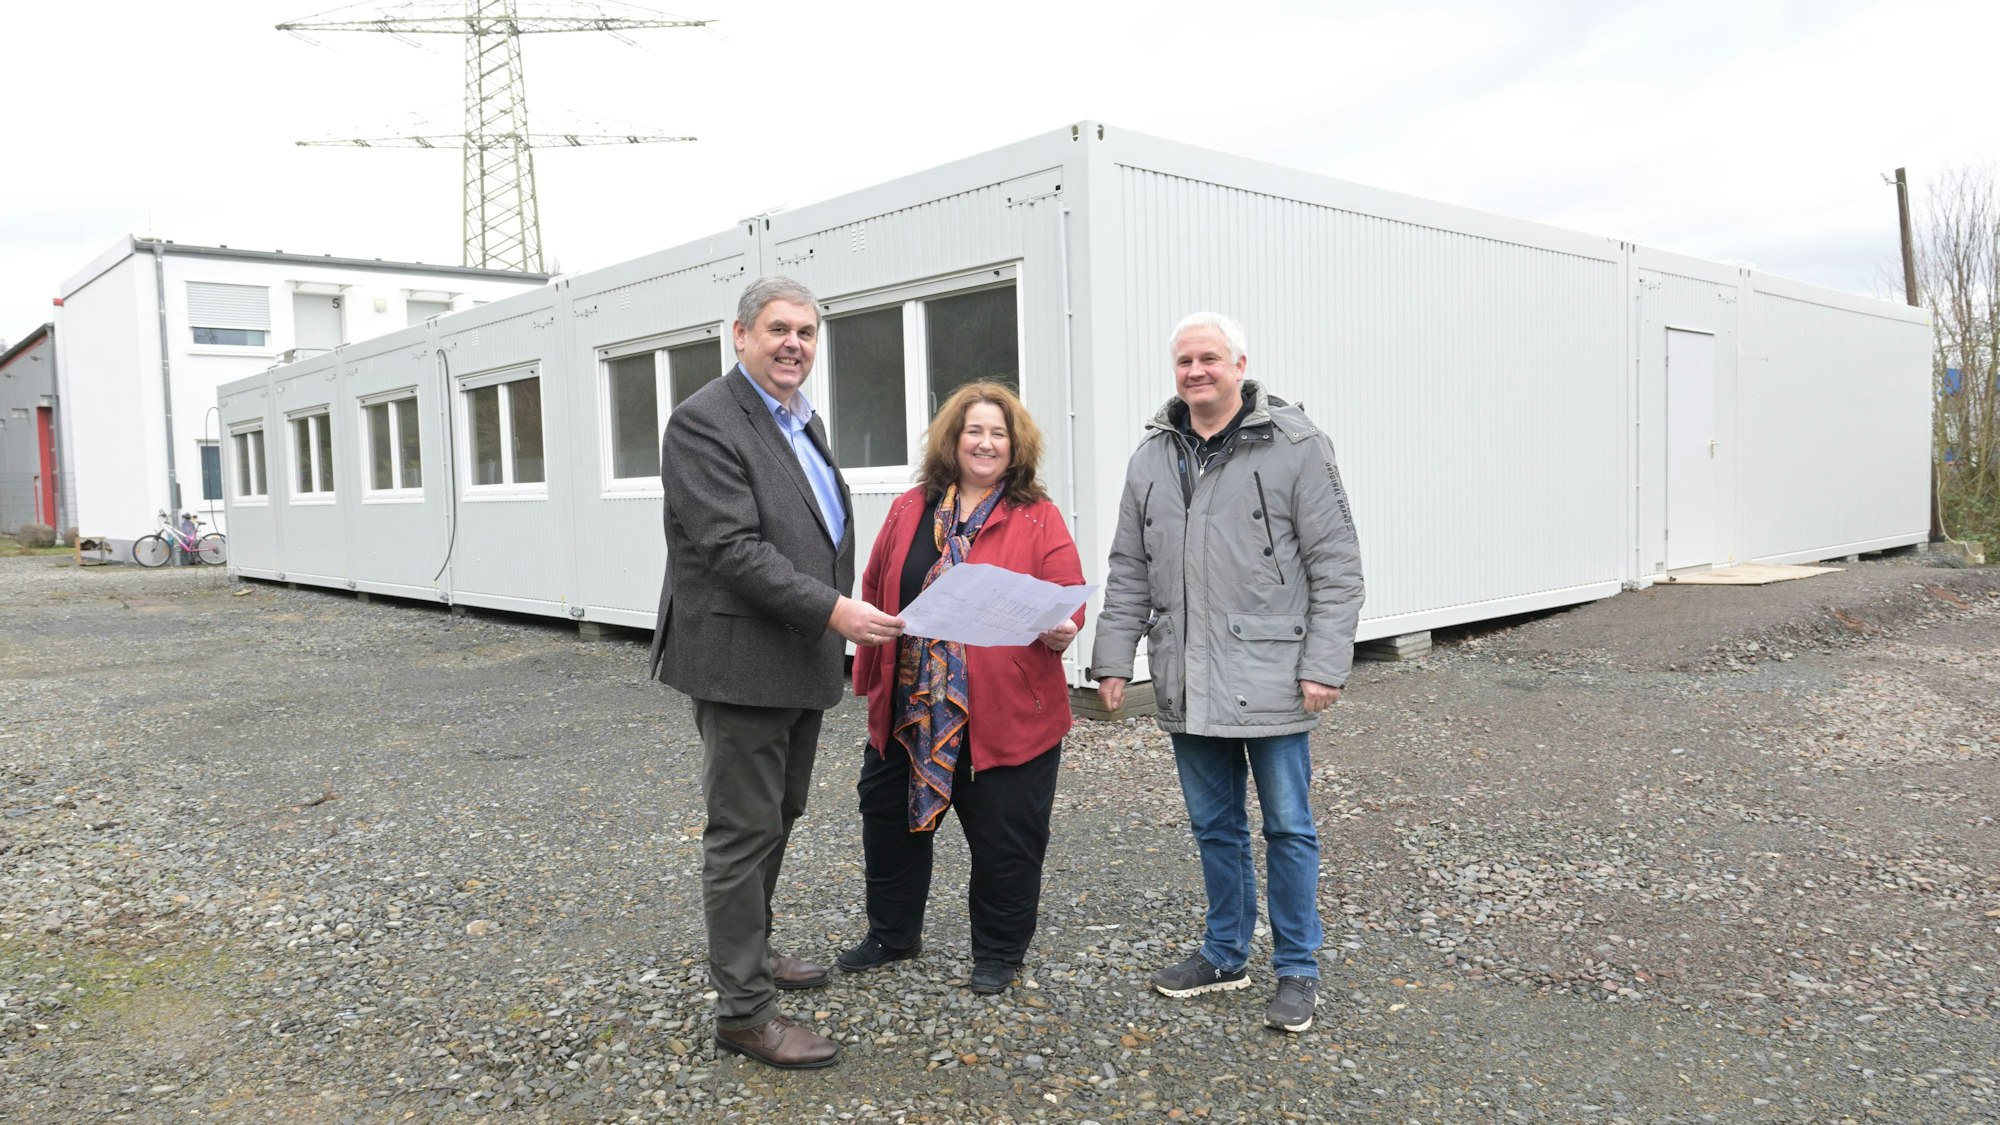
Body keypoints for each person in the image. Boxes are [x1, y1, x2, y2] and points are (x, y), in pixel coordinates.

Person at [648, 275, 904, 1070]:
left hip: (795, 654)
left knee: (778, 814)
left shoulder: (801, 417)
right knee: (741, 830)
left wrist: (831, 619)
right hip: (739, 661)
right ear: (740, 334)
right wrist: (837, 611)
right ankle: (744, 1013)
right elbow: (733, 550)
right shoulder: (703, 423)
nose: (795, 343)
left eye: (807, 331)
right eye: (778, 329)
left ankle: (750, 957)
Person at [1090, 312, 1363, 1034]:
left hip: (1274, 672)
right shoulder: (1152, 456)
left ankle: (1299, 969)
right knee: (1215, 826)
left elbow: (1337, 566)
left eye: (1209, 357)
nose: (1195, 371)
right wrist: (1113, 657)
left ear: (1240, 363)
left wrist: (1325, 663)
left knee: (1289, 827)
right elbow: (1129, 569)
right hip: (1187, 674)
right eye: (1184, 360)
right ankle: (1224, 952)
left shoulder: (1297, 446)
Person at [840, 382, 1085, 995]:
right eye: (974, 430)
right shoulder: (909, 508)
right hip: (909, 706)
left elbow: (1067, 592)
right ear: (953, 439)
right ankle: (892, 936)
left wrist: (1062, 630)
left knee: (1007, 838)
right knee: (888, 824)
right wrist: (868, 681)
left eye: (998, 433)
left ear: (1015, 445)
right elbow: (875, 585)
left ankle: (999, 952)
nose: (985, 442)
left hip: (1006, 714)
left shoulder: (1039, 514)